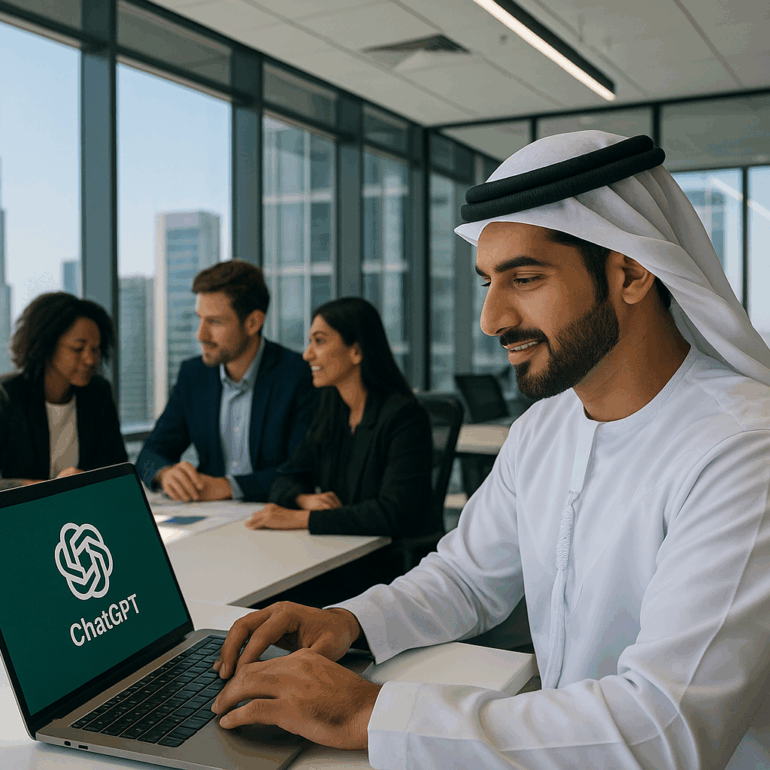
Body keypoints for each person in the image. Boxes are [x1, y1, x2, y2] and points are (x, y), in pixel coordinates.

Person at [204, 131, 770, 769]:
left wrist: (368, 713)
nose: (492, 319)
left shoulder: (744, 451)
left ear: (632, 272)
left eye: (525, 278)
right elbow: (467, 578)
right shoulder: (543, 429)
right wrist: (346, 622)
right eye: (487, 284)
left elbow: (665, 729)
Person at [244, 296, 434, 603]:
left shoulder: (403, 416)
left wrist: (300, 519)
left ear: (356, 350)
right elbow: (286, 477)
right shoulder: (331, 409)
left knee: (269, 600)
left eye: (319, 341)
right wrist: (305, 500)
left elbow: (394, 513)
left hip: (387, 570)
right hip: (337, 554)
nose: (307, 354)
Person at [136, 260, 317, 503]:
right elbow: (148, 456)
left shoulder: (298, 375)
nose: (201, 335)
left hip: (277, 517)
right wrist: (164, 473)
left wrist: (229, 487)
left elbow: (303, 471)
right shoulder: (193, 375)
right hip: (212, 520)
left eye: (215, 322)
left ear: (253, 322)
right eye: (200, 319)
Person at [0, 292, 127, 484]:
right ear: (47, 344)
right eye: (77, 348)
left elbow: (116, 469)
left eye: (95, 349)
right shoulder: (7, 395)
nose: (90, 359)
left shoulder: (98, 393)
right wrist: (41, 489)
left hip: (83, 509)